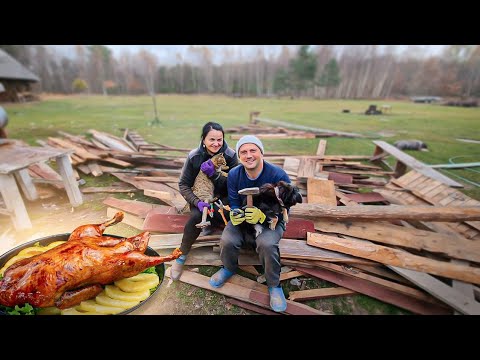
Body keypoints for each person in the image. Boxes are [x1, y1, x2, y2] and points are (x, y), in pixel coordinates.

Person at [209, 135, 291, 312]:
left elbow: (286, 207)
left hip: (272, 221)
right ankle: (228, 268)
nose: (248, 155)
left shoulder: (277, 174)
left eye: (253, 150)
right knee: (227, 239)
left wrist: (263, 217)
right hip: (244, 219)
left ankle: (274, 285)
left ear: (261, 152)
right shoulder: (234, 174)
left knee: (267, 244)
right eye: (243, 152)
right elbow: (234, 202)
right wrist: (235, 214)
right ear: (239, 156)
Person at [172, 122, 238, 281]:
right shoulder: (194, 156)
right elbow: (183, 184)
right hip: (201, 198)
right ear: (203, 140)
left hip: (224, 198)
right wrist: (196, 201)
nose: (216, 143)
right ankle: (181, 255)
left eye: (219, 139)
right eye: (212, 139)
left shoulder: (230, 155)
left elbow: (235, 185)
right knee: (195, 218)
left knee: (236, 218)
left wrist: (214, 175)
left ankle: (229, 263)